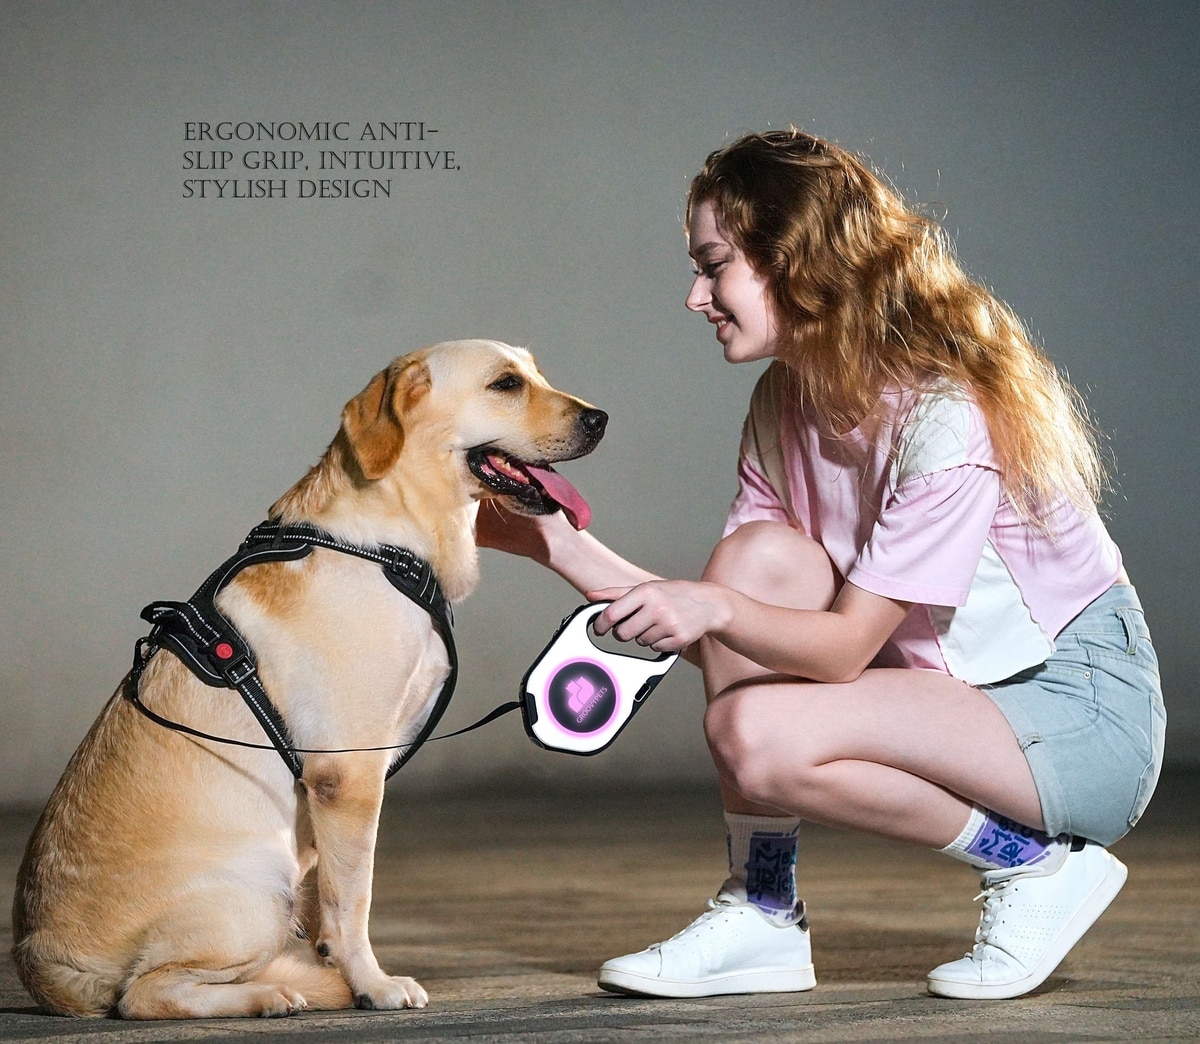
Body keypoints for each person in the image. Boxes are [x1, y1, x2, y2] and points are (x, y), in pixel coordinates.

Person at [476, 128, 1165, 1001]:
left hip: (1076, 711)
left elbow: (831, 652)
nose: (695, 297)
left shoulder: (946, 414)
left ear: (796, 261)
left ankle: (1034, 864)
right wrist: (551, 540)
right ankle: (763, 907)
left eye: (714, 267)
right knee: (759, 563)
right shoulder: (784, 400)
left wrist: (716, 610)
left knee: (757, 728)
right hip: (947, 697)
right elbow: (731, 631)